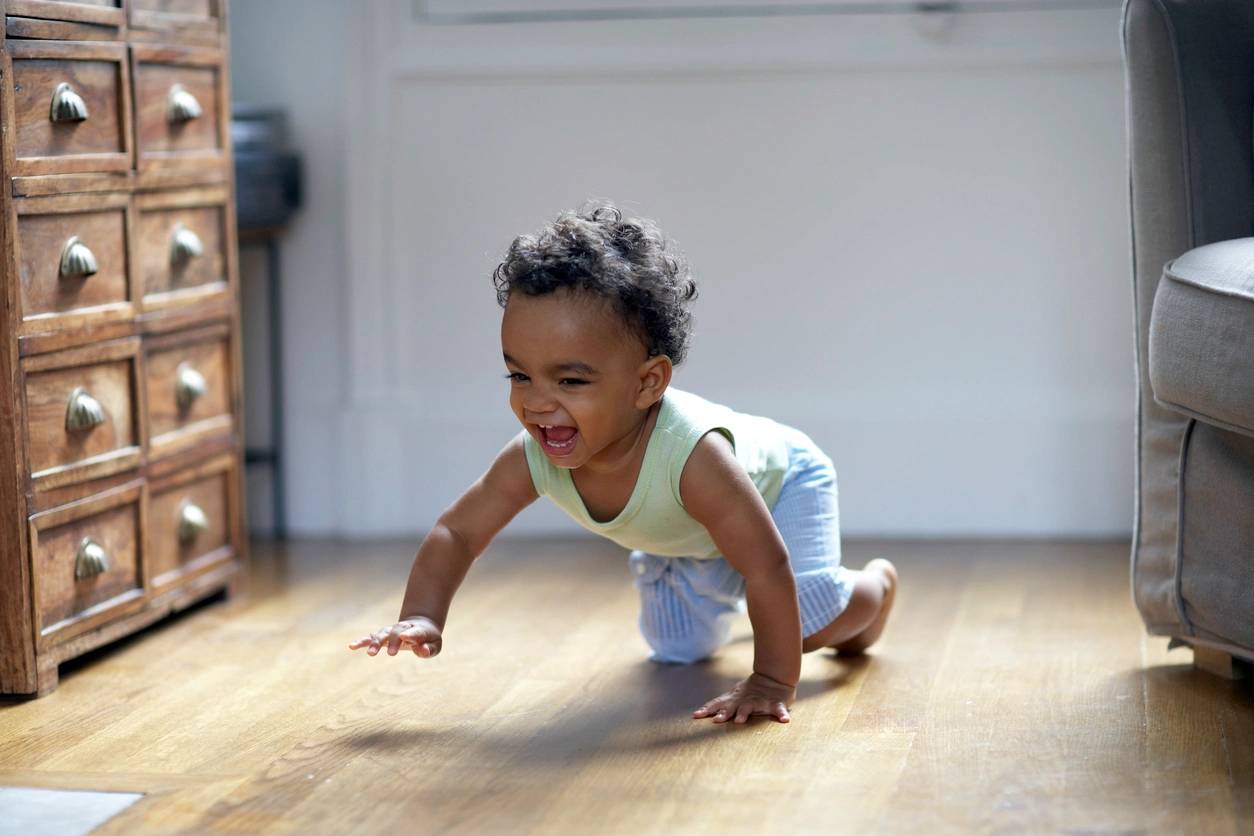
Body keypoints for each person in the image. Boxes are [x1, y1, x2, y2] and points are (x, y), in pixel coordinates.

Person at [348, 200, 897, 725]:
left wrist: (772, 681)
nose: (537, 403)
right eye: (519, 376)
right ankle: (717, 585)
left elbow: (767, 565)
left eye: (570, 380)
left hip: (782, 489)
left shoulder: (695, 455)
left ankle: (875, 588)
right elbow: (457, 533)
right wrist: (423, 614)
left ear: (647, 383)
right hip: (694, 533)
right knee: (678, 649)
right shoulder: (536, 457)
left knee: (806, 623)